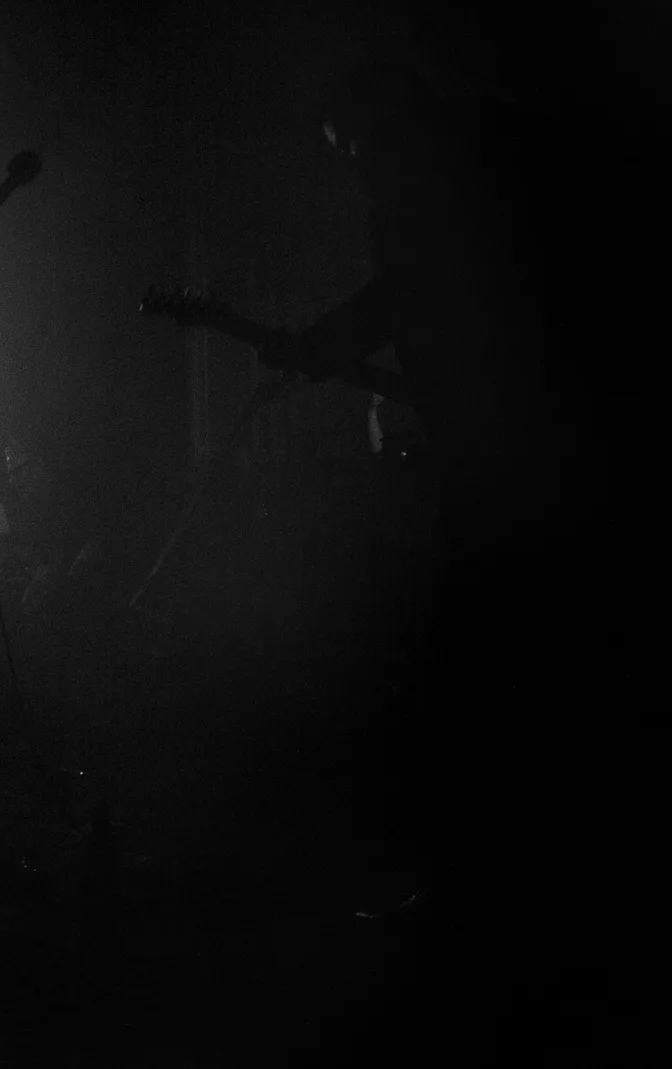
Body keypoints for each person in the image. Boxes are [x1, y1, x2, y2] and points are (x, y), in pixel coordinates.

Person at [257, 61, 609, 1044]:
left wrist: (326, 340)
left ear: (374, 123)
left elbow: (417, 290)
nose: (355, 170)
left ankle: (496, 903)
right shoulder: (489, 150)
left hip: (526, 453)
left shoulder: (435, 167)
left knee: (486, 661)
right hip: (538, 444)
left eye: (349, 148)